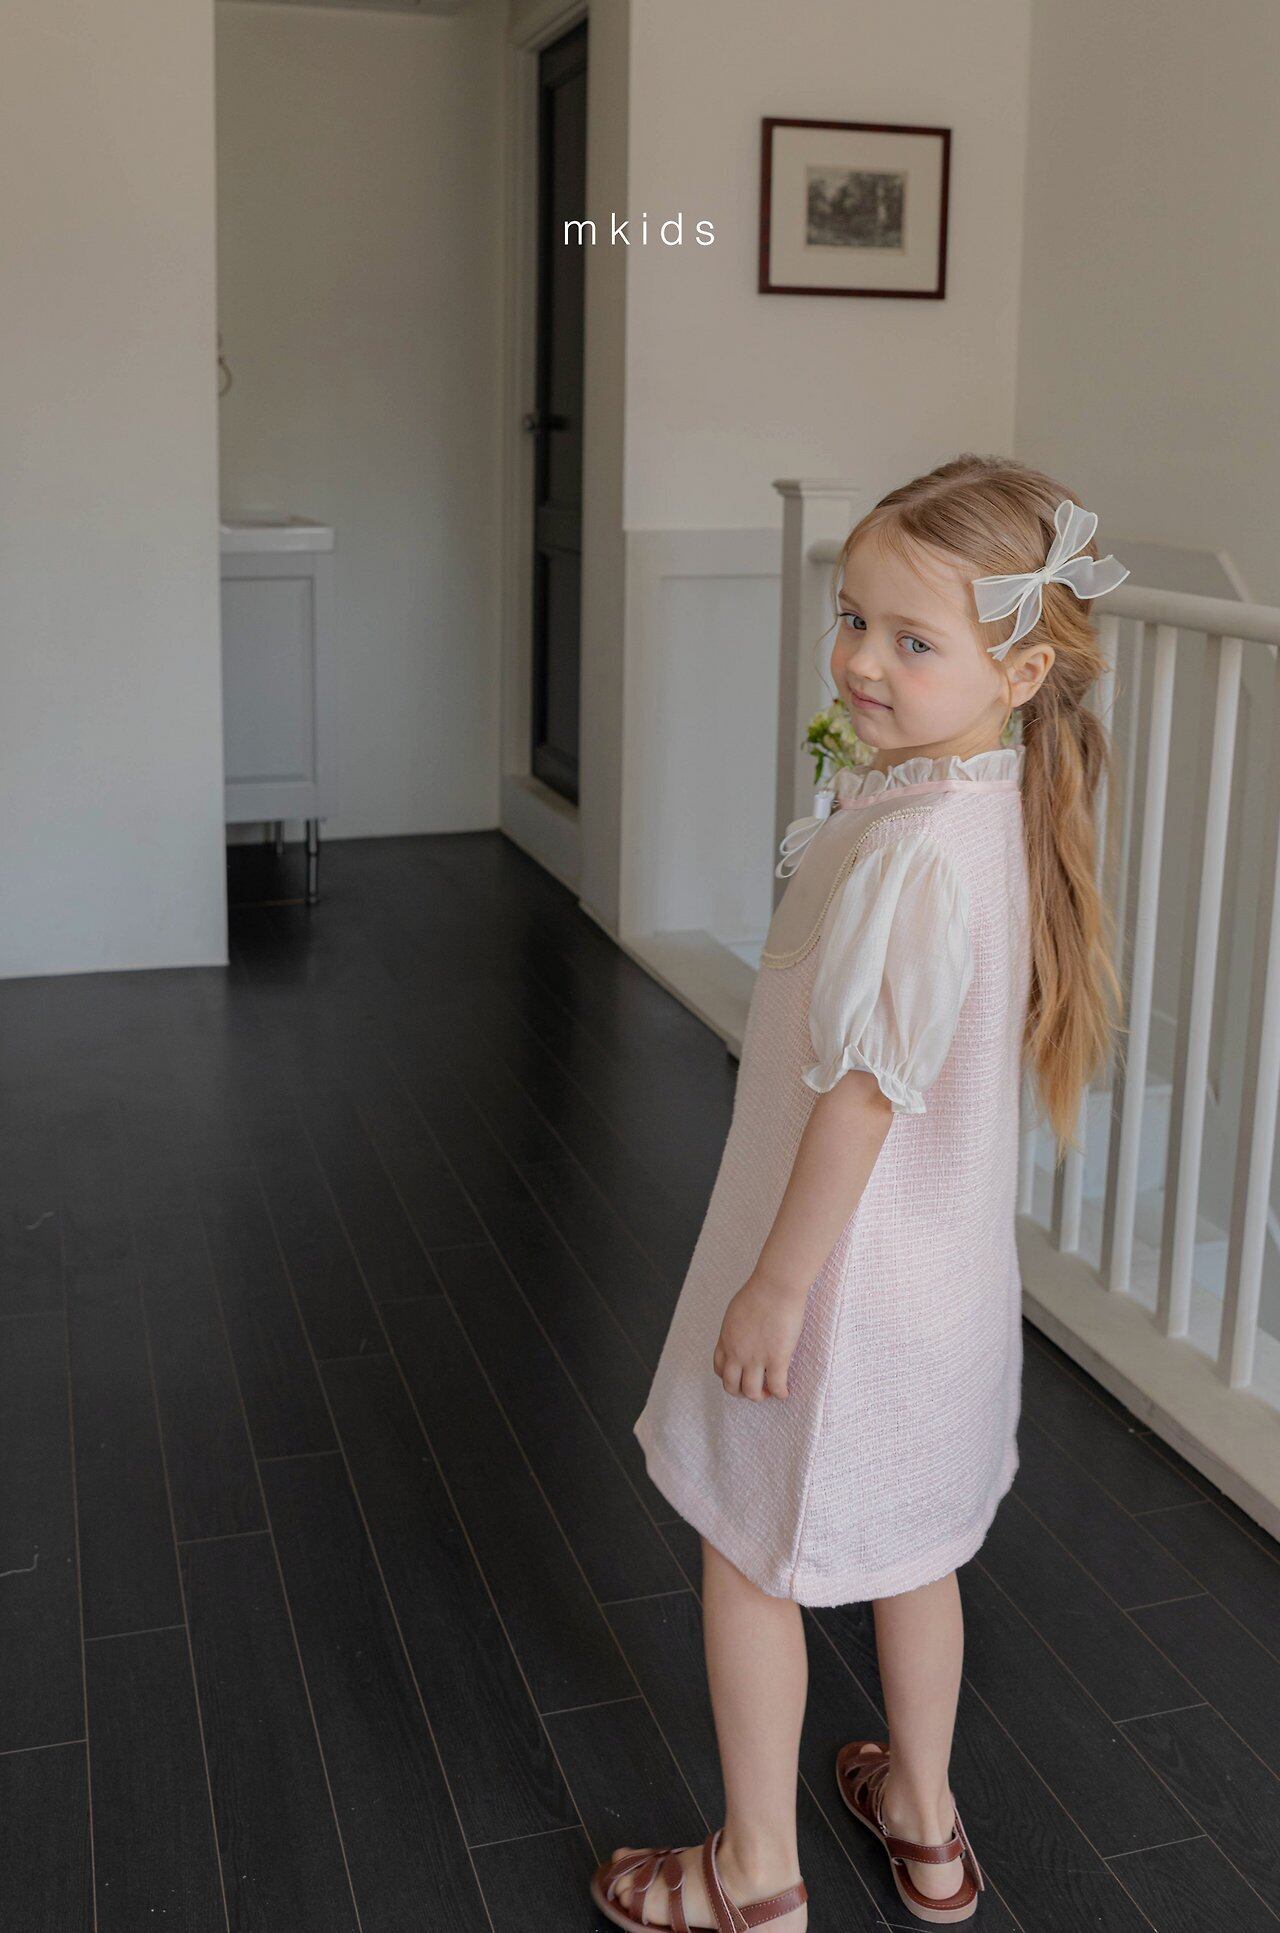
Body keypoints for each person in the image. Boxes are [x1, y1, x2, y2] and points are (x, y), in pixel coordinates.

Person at [590, 455, 1129, 1930]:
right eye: (853, 620)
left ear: (1019, 671)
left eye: (911, 640)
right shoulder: (984, 809)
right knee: (916, 1552)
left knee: (747, 1545)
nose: (862, 662)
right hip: (940, 1289)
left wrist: (774, 1285)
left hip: (838, 1278)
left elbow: (864, 1095)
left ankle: (754, 1873)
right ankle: (926, 1823)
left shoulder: (918, 854)